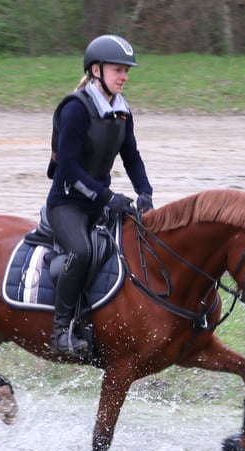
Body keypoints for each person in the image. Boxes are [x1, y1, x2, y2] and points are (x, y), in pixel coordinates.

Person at [46, 34, 154, 356]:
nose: (124, 77)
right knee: (80, 251)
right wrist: (108, 198)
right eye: (118, 70)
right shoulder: (75, 109)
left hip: (98, 203)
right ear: (96, 70)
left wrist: (145, 192)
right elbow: (66, 169)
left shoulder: (121, 111)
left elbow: (131, 155)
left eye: (126, 71)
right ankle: (61, 331)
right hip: (67, 204)